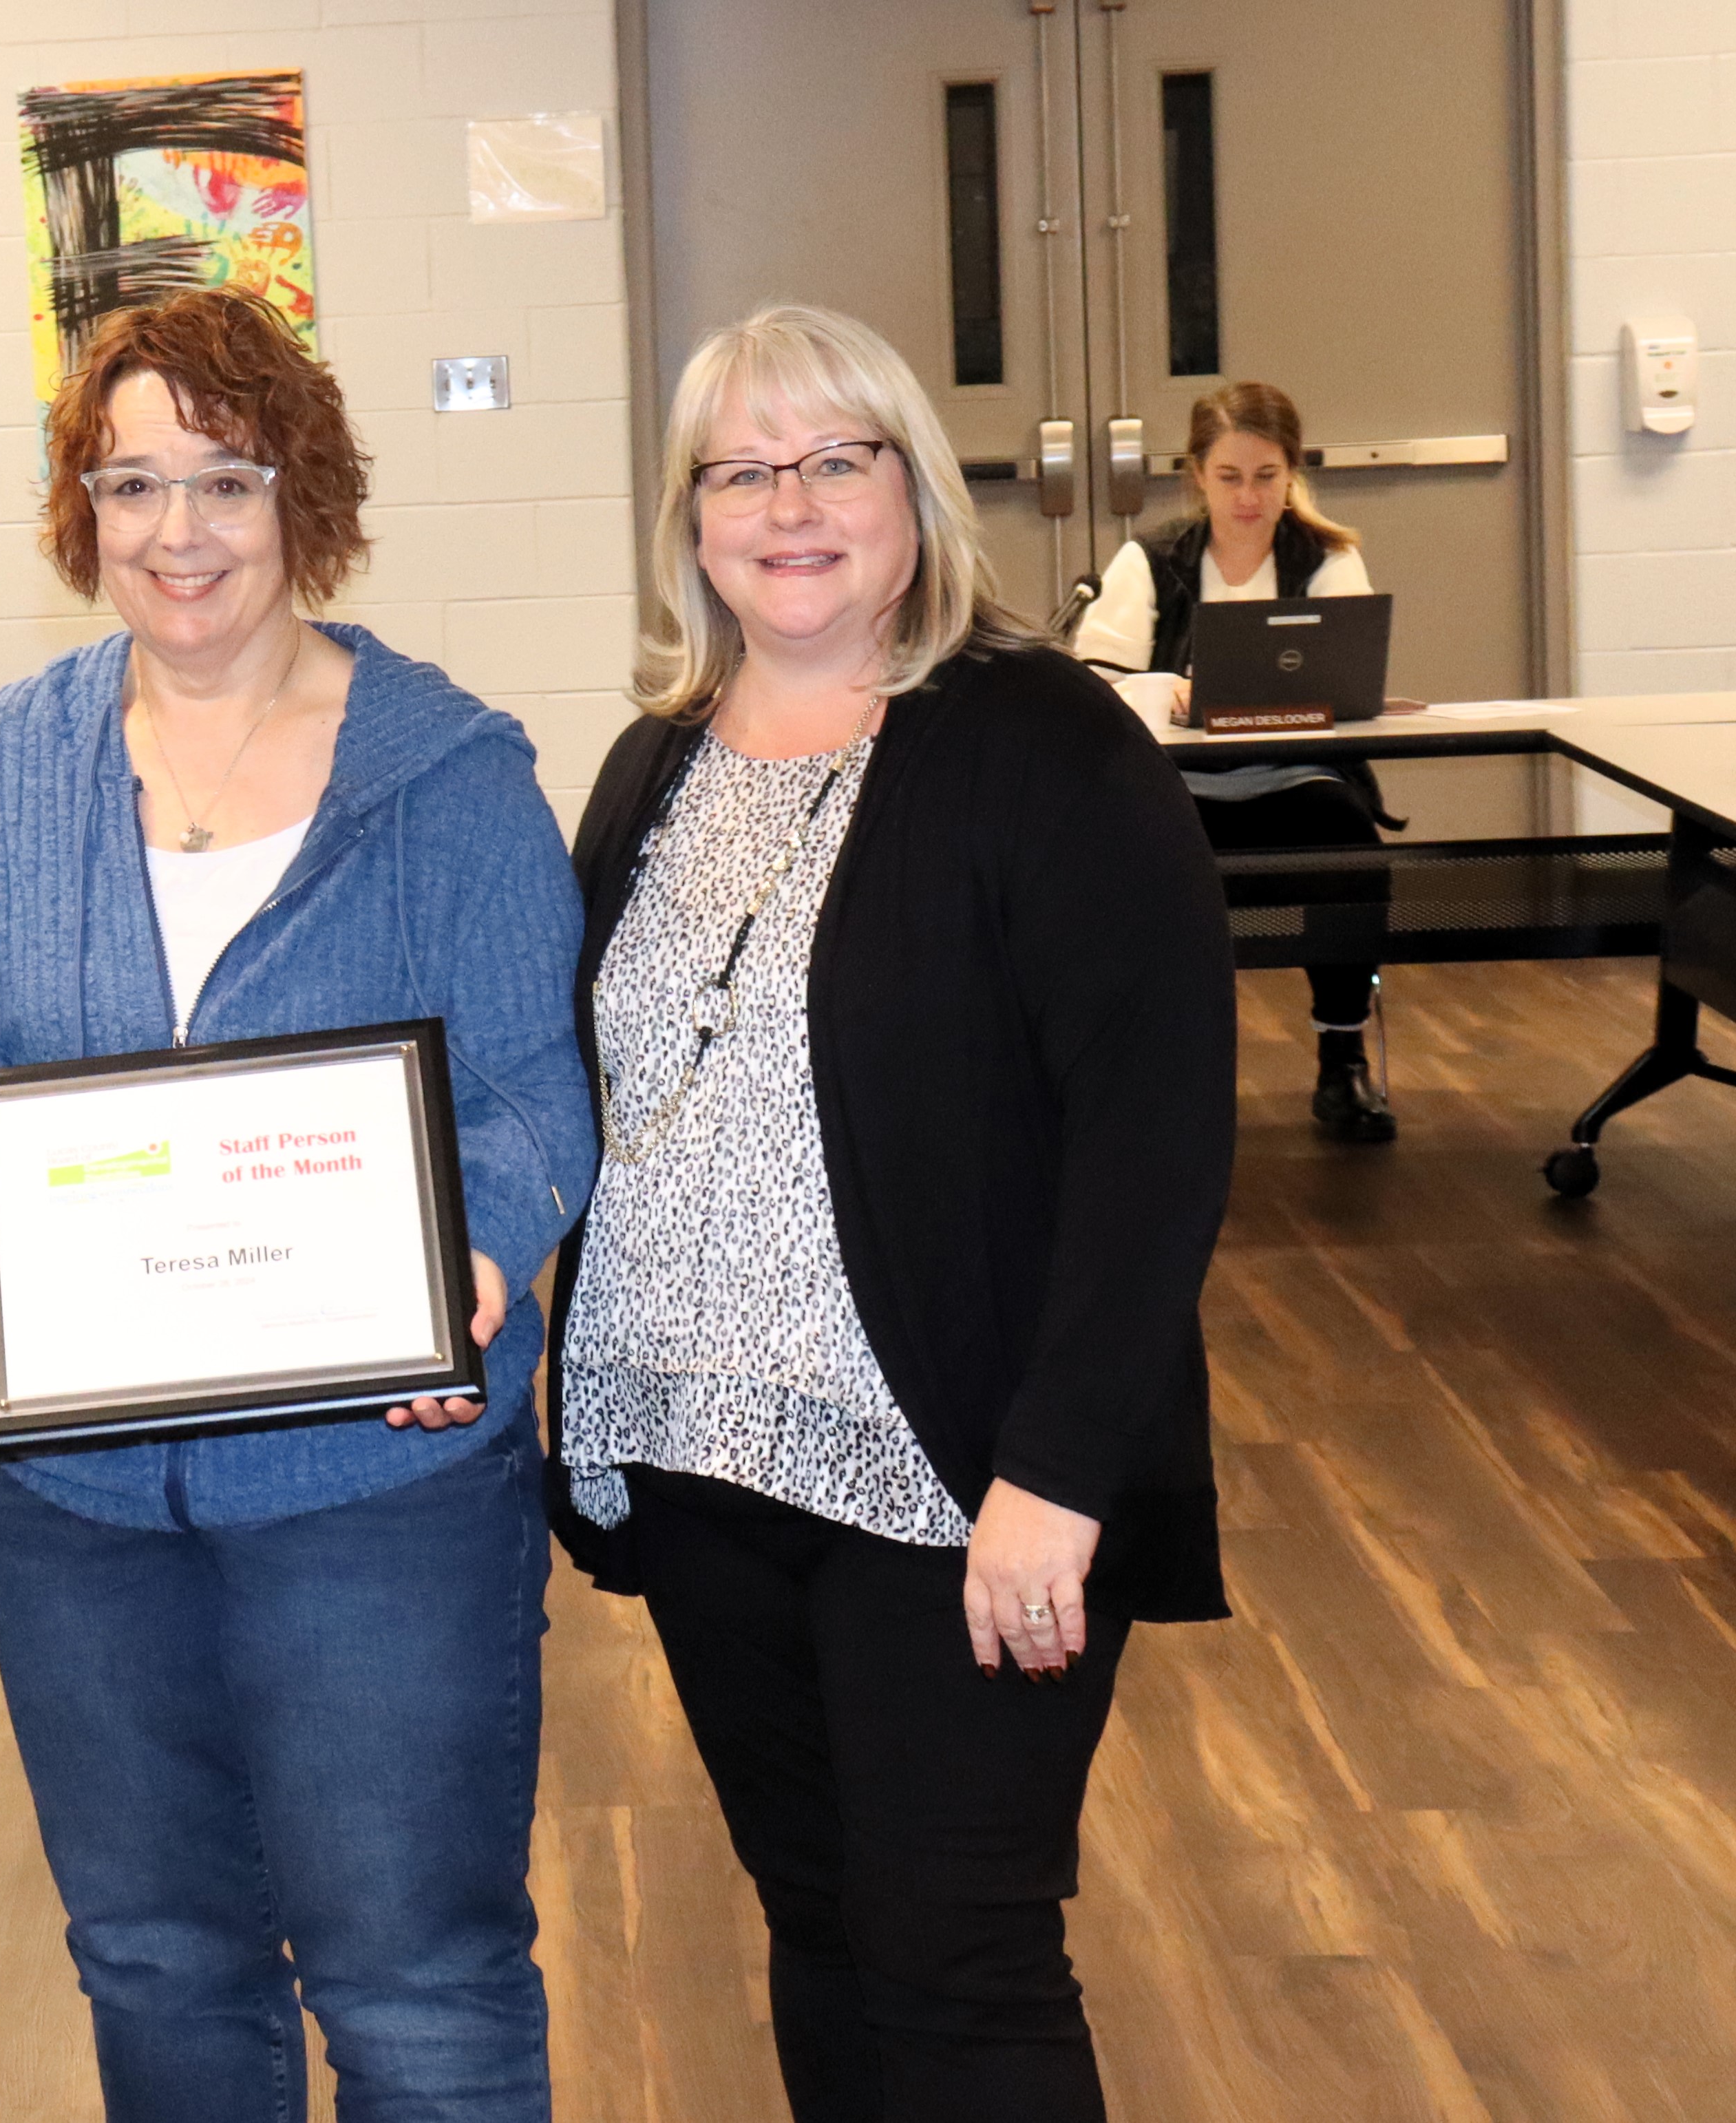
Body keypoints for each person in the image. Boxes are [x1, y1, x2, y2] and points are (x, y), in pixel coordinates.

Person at [0, 288, 593, 2123]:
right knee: (156, 1958)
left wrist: (480, 1258)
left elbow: (528, 1090)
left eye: (225, 478)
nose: (177, 531)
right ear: (80, 508)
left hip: (382, 1476)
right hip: (83, 1501)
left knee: (414, 1970)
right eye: (132, 483)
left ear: (306, 496)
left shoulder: (450, 774)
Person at [546, 304, 1236, 2123]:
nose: (791, 505)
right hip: (704, 1460)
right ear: (691, 515)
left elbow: (1156, 1137)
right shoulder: (656, 761)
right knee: (825, 1920)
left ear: (914, 489)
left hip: (953, 1470)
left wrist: (1063, 1470)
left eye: (835, 458)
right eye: (743, 468)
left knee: (961, 1956)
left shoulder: (1048, 745)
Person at [1073, 380, 1398, 1141]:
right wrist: (1166, 692)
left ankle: (1340, 1056)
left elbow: (1345, 681)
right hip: (1177, 788)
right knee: (1126, 853)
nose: (1247, 498)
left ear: (1290, 474)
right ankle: (1148, 1069)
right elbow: (1095, 680)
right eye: (1228, 478)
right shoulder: (1148, 560)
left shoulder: (1326, 560)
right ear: (1195, 476)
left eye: (1264, 477)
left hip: (1292, 781)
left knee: (1349, 846)